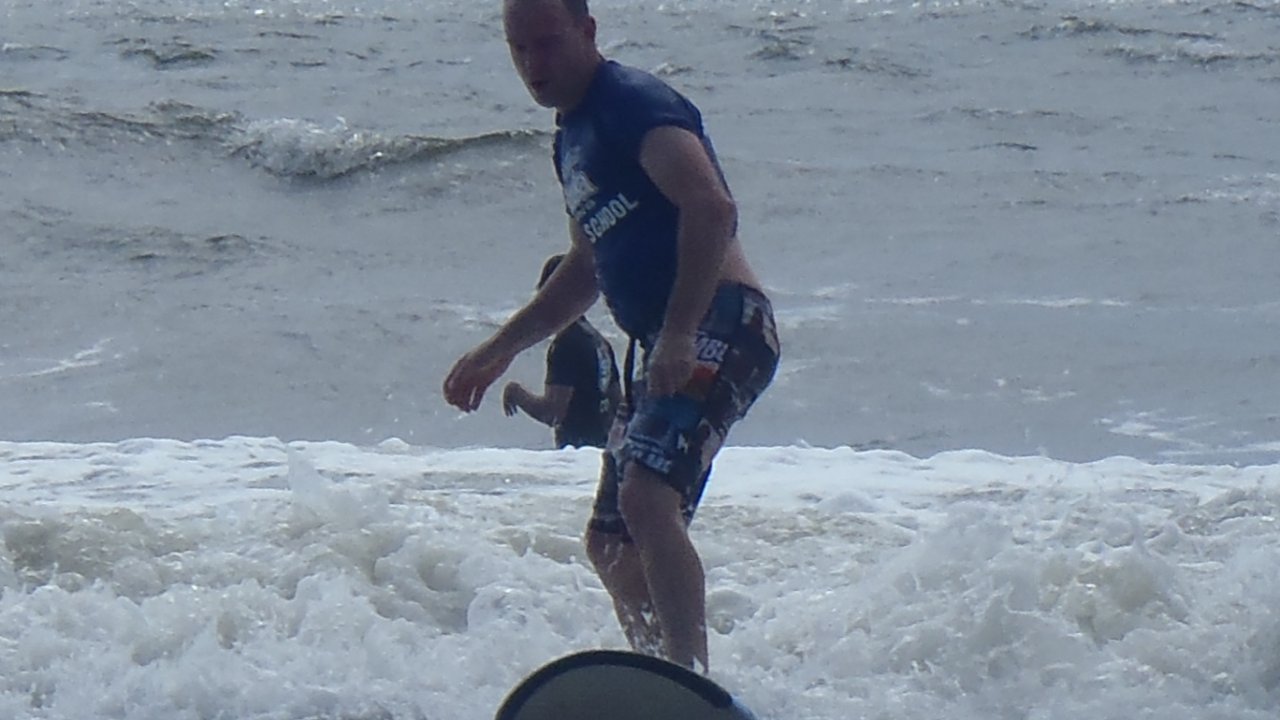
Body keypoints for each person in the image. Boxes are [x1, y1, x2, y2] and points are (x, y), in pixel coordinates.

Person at [442, 0, 780, 673]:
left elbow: (711, 207)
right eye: (519, 49)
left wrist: (679, 332)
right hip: (665, 339)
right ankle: (656, 679)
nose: (533, 64)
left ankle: (688, 681)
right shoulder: (571, 139)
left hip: (723, 320)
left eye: (548, 44)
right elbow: (586, 267)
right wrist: (499, 348)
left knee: (647, 497)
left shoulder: (632, 104)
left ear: (588, 32)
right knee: (611, 543)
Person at [501, 253, 622, 449]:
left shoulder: (566, 344)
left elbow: (553, 413)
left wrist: (517, 393)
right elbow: (618, 405)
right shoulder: (599, 341)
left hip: (575, 450)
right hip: (600, 450)